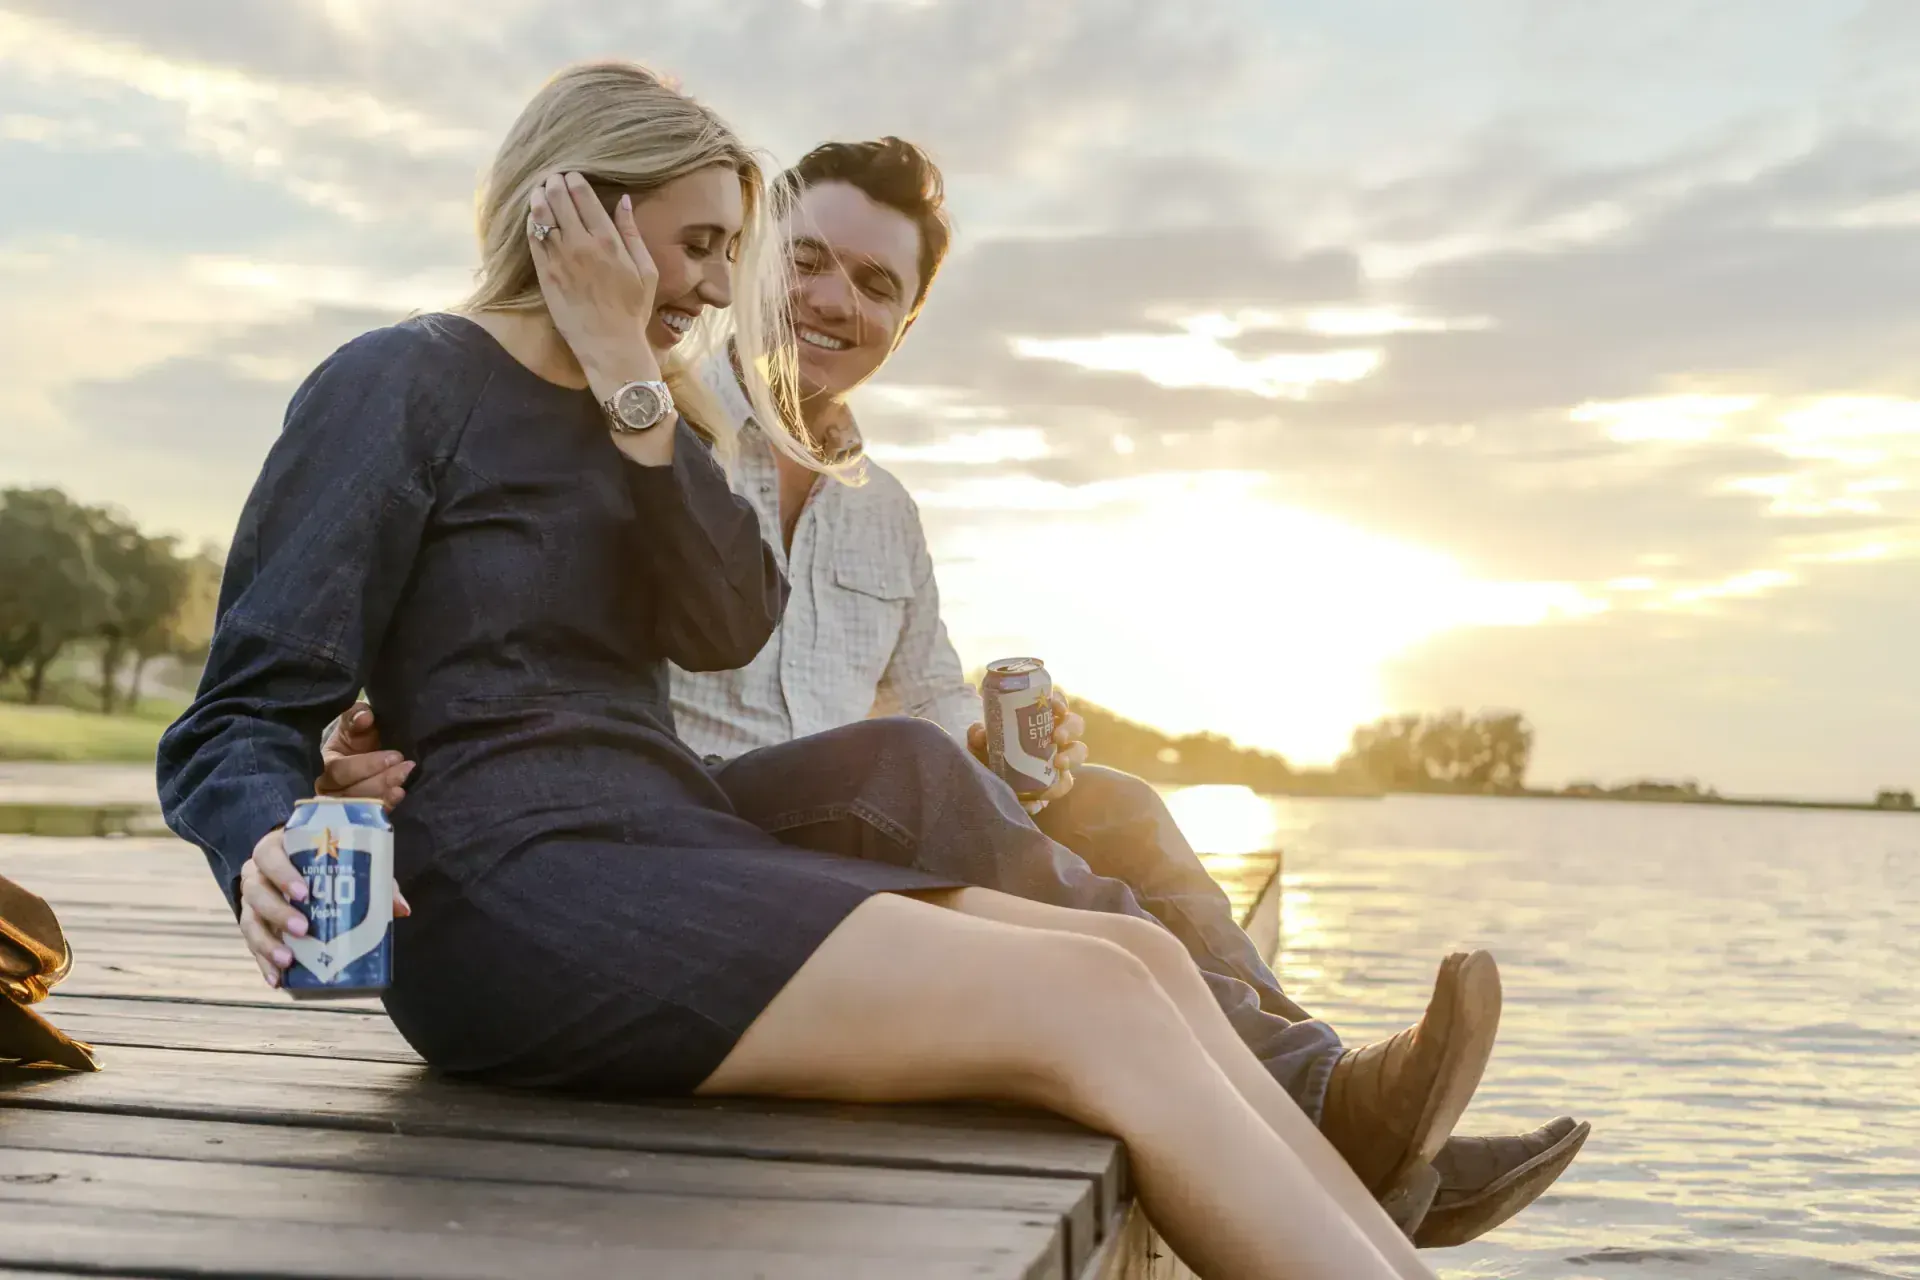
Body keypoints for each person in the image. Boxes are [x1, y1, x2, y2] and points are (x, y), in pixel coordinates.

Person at [158, 60, 1466, 1278]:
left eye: (734, 250)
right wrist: (258, 836)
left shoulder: (646, 413)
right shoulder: (398, 382)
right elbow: (240, 711)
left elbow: (730, 619)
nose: (726, 290)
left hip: (660, 842)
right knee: (1095, 1009)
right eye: (703, 245)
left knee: (1143, 966)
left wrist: (630, 378)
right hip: (501, 899)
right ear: (584, 216)